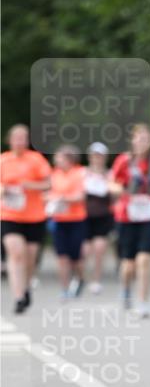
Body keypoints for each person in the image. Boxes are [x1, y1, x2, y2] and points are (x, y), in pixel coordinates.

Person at [110, 124, 150, 316]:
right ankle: (126, 289)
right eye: (139, 138)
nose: (143, 142)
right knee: (128, 264)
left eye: (146, 139)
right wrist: (122, 190)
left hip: (149, 215)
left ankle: (143, 301)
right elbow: (112, 183)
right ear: (132, 140)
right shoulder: (123, 161)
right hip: (127, 215)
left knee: (144, 259)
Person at [0, 124, 51, 313]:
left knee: (29, 258)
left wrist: (28, 185)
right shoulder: (3, 160)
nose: (20, 141)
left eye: (24, 138)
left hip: (34, 216)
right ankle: (18, 296)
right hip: (9, 214)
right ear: (10, 140)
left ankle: (26, 286)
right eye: (17, 138)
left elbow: (48, 184)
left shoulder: (36, 160)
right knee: (16, 253)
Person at [48, 145, 87, 298]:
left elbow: (81, 196)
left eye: (60, 158)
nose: (57, 160)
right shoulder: (55, 174)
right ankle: (64, 288)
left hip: (76, 219)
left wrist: (63, 198)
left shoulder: (79, 173)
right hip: (59, 219)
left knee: (76, 257)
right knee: (62, 256)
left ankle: (80, 278)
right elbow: (49, 193)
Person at [83, 142, 115, 294]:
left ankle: (96, 280)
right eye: (95, 155)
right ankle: (82, 277)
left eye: (100, 156)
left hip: (103, 215)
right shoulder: (83, 173)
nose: (97, 159)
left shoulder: (110, 175)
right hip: (84, 215)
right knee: (85, 250)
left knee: (99, 249)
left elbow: (115, 195)